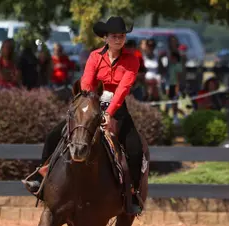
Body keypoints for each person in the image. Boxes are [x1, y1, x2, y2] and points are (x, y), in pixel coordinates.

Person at [23, 16, 143, 215]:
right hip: (91, 105)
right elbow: (87, 83)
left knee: (136, 148)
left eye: (121, 36)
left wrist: (109, 113)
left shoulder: (132, 60)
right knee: (53, 135)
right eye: (114, 36)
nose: (118, 39)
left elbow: (123, 89)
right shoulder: (95, 56)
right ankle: (41, 174)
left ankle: (133, 193)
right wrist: (91, 105)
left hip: (116, 108)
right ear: (105, 38)